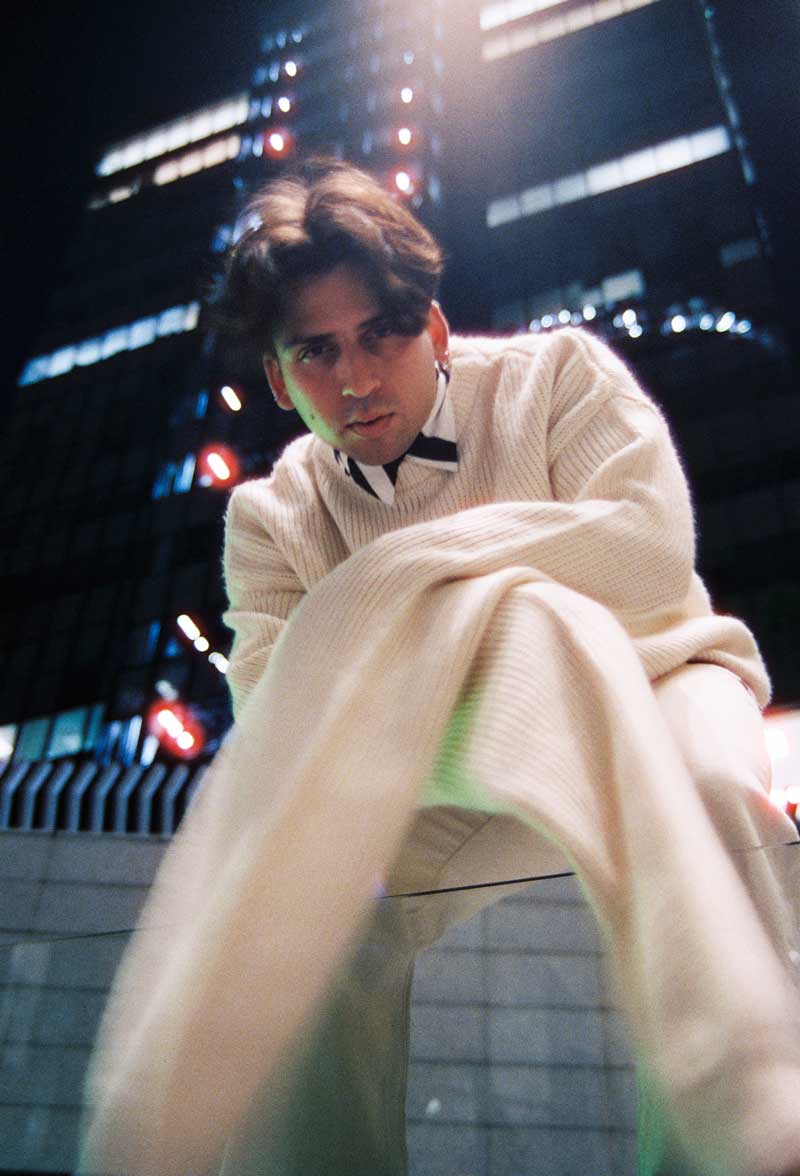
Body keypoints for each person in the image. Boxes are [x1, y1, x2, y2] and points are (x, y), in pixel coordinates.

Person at [79, 159, 800, 1176]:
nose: (357, 379)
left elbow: (643, 558)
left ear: (434, 328)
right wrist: (477, 625)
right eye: (317, 351)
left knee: (713, 787)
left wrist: (392, 585)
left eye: (381, 333)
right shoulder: (269, 516)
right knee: (320, 915)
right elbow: (280, 714)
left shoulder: (559, 376)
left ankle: (747, 1136)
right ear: (279, 381)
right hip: (441, 753)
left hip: (659, 673)